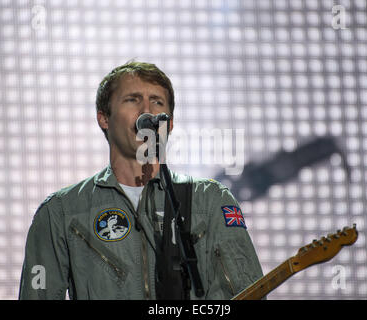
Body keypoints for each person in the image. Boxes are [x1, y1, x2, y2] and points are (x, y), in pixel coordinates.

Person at [18, 61, 263, 299]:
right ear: (104, 118)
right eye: (132, 99)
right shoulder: (60, 211)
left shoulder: (209, 200)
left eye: (157, 102)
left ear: (170, 124)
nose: (147, 111)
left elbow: (244, 292)